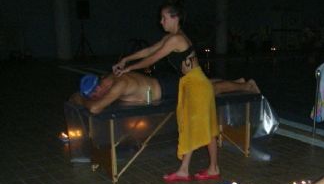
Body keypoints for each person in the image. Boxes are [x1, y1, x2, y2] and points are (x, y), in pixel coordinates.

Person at [69, 73, 260, 115]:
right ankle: (239, 82)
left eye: (94, 93)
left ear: (99, 86)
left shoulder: (119, 84)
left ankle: (246, 87)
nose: (95, 96)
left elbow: (95, 108)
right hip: (164, 84)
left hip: (167, 90)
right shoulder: (108, 79)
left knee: (211, 90)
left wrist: (83, 100)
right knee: (206, 84)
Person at [162, 44, 220, 183]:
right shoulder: (176, 39)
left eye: (165, 20)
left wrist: (129, 65)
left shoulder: (177, 38)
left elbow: (153, 54)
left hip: (197, 86)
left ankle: (188, 170)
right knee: (207, 128)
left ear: (175, 20)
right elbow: (153, 51)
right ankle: (211, 168)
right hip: (197, 83)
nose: (162, 21)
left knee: (194, 126)